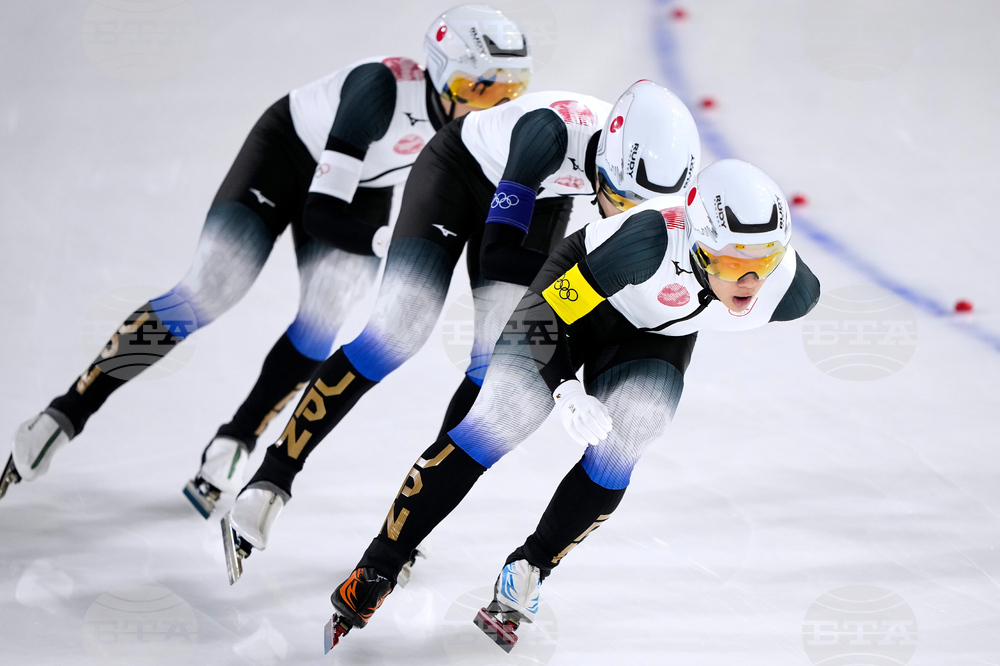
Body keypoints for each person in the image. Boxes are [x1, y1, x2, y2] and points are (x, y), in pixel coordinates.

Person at [0, 5, 534, 511]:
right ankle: (68, 410)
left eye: (509, 93)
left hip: (362, 187)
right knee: (208, 290)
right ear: (442, 76)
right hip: (285, 159)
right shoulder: (379, 89)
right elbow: (323, 215)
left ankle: (239, 436)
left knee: (323, 322)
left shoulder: (477, 131)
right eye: (478, 88)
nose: (491, 107)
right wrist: (386, 243)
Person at [322, 159, 821, 652]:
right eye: (734, 264)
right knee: (500, 419)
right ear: (696, 245)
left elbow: (769, 277)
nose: (752, 282)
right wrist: (564, 387)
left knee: (629, 437)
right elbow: (549, 312)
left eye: (766, 263)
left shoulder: (792, 290)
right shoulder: (642, 246)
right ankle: (378, 565)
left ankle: (532, 566)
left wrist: (750, 267)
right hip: (572, 306)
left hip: (651, 335)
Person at [220, 80, 703, 585]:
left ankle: (408, 524)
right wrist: (581, 283)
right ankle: (274, 475)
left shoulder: (638, 165)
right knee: (397, 329)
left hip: (540, 195)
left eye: (644, 213)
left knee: (492, 358)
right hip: (458, 176)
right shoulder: (550, 134)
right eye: (619, 202)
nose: (628, 222)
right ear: (602, 165)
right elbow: (498, 253)